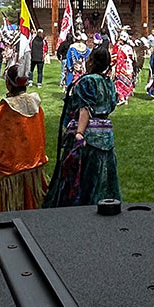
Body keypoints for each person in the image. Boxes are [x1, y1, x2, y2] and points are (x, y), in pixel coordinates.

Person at [44, 46, 119, 207]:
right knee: (103, 178)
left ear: (91, 61)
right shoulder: (109, 83)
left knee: (82, 178)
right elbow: (112, 105)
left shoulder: (87, 81)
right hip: (106, 136)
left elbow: (85, 108)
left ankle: (81, 208)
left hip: (88, 138)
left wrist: (79, 133)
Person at [0, 64, 49, 211]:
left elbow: (0, 140)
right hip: (33, 164)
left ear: (9, 83)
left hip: (12, 168)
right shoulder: (35, 104)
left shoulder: (6, 108)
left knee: (13, 208)